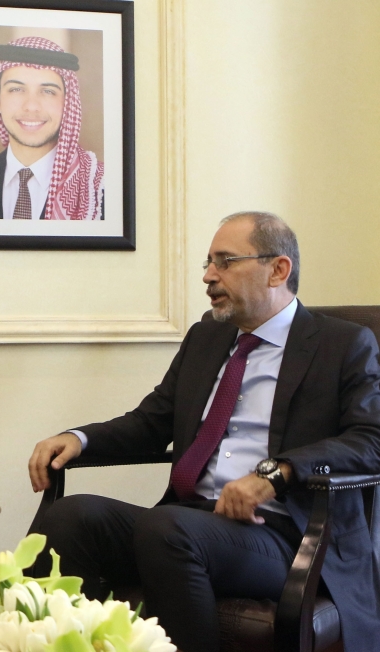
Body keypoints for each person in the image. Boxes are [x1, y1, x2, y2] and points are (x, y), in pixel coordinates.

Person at [27, 212, 380, 652]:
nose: (209, 276)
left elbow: (370, 440)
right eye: (208, 263)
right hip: (190, 519)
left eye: (225, 262)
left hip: (285, 533)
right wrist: (80, 438)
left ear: (278, 269)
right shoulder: (206, 337)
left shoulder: (343, 344)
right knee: (72, 517)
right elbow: (151, 422)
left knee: (167, 527)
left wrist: (277, 473)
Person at [0, 37, 103, 221]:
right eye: (16, 89)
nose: (31, 106)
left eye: (48, 91)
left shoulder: (100, 190)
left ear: (67, 103)